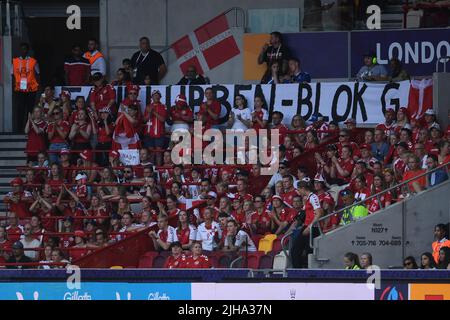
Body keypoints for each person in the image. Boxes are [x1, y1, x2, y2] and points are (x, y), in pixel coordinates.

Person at [12, 42, 40, 131]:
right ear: (20, 50)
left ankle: (31, 128)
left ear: (28, 50)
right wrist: (15, 87)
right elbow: (12, 75)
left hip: (31, 89)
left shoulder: (33, 61)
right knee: (20, 109)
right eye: (22, 49)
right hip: (19, 90)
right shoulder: (15, 61)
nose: (23, 50)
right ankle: (19, 129)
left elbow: (38, 74)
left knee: (30, 109)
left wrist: (37, 85)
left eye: (25, 49)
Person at [143, 90, 168, 166]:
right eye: (154, 95)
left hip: (159, 134)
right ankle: (151, 170)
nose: (156, 97)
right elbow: (144, 120)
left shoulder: (163, 106)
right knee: (151, 153)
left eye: (158, 95)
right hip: (149, 133)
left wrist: (153, 112)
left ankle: (159, 170)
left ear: (160, 97)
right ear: (152, 97)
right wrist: (150, 112)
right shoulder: (148, 107)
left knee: (158, 152)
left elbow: (163, 119)